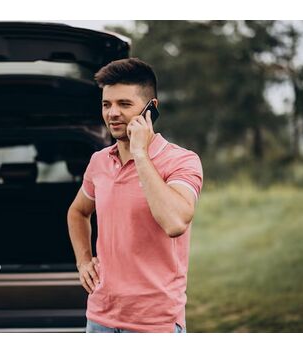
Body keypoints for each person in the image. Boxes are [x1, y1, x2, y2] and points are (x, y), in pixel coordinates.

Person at [67, 58, 203, 333]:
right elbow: (78, 212)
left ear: (151, 108)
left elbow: (175, 222)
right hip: (100, 320)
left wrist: (141, 154)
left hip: (155, 325)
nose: (112, 113)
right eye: (107, 104)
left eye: (124, 104)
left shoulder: (182, 161)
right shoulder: (99, 162)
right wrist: (83, 261)